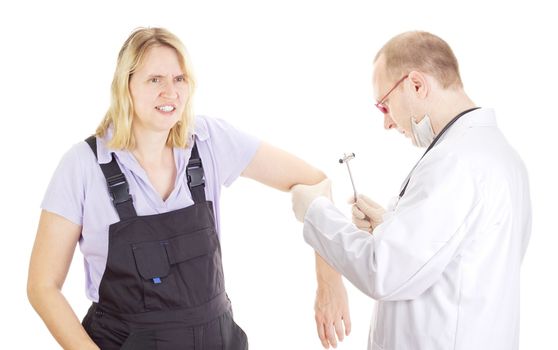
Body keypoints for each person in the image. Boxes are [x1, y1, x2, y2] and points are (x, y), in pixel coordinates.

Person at [27, 27, 351, 350]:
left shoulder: (210, 142)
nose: (171, 92)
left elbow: (314, 182)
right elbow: (42, 285)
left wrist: (330, 283)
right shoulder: (82, 166)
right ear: (126, 86)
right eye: (155, 79)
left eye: (180, 79)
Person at [291, 31, 531, 350]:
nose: (387, 123)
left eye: (384, 105)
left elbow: (384, 271)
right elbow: (462, 258)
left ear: (416, 84)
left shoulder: (456, 162)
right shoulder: (501, 155)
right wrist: (392, 224)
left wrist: (316, 213)